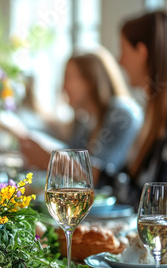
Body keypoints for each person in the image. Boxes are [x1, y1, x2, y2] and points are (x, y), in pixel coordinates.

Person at [17, 47, 143, 185]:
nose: (63, 87)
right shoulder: (84, 120)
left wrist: (49, 158)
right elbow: (71, 155)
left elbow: (102, 177)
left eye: (69, 78)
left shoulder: (122, 114)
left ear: (90, 80)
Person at [117, 11, 167, 205]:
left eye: (123, 50)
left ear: (142, 52)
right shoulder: (153, 121)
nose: (120, 61)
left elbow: (156, 205)